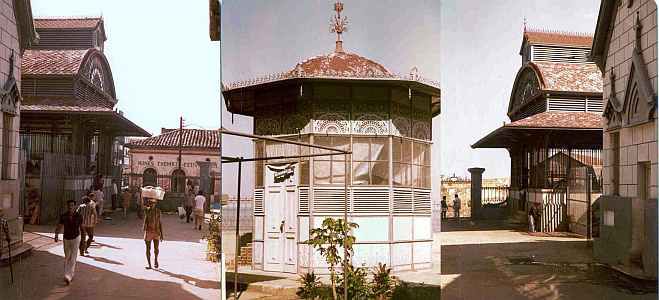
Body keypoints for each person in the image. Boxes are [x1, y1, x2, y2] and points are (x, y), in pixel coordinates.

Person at [54, 200, 83, 285]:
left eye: (72, 205)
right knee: (67, 256)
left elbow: (82, 228)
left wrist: (83, 241)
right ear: (67, 206)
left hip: (76, 238)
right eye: (69, 205)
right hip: (66, 238)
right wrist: (56, 234)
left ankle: (69, 276)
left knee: (73, 257)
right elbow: (59, 225)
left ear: (75, 206)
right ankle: (66, 274)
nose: (70, 207)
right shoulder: (64, 216)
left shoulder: (79, 216)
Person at [143, 198, 163, 269]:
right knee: (148, 248)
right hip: (148, 231)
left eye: (153, 203)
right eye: (150, 203)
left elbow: (160, 223)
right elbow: (143, 206)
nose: (151, 204)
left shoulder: (158, 211)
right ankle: (149, 264)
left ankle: (156, 260)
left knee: (156, 249)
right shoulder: (147, 210)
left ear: (155, 204)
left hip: (156, 231)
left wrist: (162, 234)